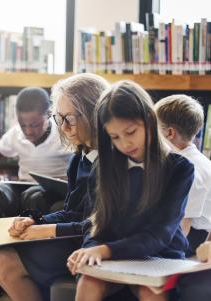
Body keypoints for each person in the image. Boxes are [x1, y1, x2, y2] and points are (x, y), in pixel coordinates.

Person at [0, 73, 109, 301]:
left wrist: (47, 230)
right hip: (74, 234)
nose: (64, 128)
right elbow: (70, 211)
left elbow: (100, 226)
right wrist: (35, 221)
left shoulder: (109, 162)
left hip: (93, 243)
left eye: (69, 119)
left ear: (91, 115)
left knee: (7, 262)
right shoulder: (80, 157)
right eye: (59, 119)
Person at [68, 81, 194, 301]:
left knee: (150, 293)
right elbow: (93, 222)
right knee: (88, 284)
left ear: (149, 119)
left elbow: (160, 234)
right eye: (115, 137)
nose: (125, 143)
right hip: (115, 258)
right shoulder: (103, 167)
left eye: (130, 132)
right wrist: (89, 250)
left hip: (160, 258)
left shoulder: (179, 168)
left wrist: (105, 250)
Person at [0, 86, 73, 219]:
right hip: (23, 186)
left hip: (53, 191)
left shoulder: (63, 133)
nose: (28, 131)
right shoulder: (15, 134)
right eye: (23, 125)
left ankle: (31, 236)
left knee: (34, 195)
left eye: (34, 125)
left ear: (48, 114)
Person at [155, 94, 211, 256]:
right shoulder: (202, 161)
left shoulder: (188, 168)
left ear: (169, 133)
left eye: (154, 129)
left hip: (194, 240)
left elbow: (182, 228)